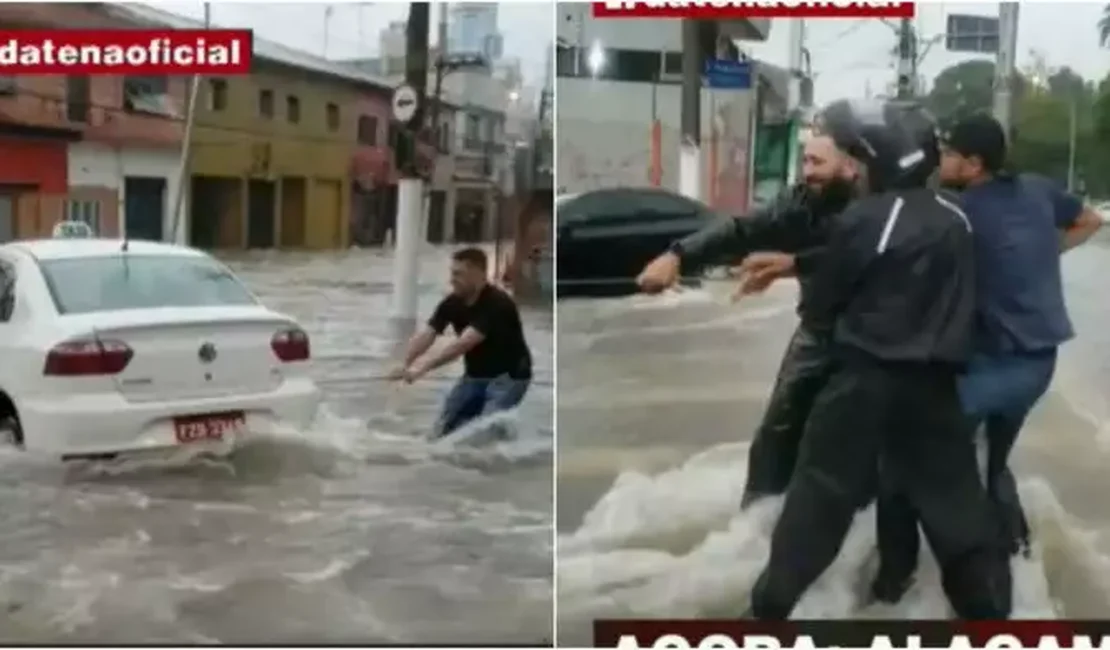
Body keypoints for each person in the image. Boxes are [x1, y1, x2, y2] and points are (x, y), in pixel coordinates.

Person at [745, 99, 1011, 620]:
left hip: (862, 386)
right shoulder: (958, 216)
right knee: (960, 518)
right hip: (937, 393)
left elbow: (822, 307)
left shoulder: (865, 218)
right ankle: (991, 623)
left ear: (885, 161)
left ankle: (764, 617)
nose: (859, 171)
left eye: (862, 161)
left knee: (816, 508)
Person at [869, 113, 1104, 603]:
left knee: (903, 456)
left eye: (950, 152)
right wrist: (1046, 252)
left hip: (1000, 366)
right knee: (993, 461)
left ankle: (898, 582)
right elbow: (1090, 219)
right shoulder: (1039, 190)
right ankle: (1020, 557)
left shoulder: (959, 211)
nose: (942, 159)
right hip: (1040, 365)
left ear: (973, 164)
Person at [636, 133, 860, 508]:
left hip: (870, 338)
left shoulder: (876, 206)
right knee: (776, 433)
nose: (808, 172)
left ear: (849, 167)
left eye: (818, 163)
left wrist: (792, 265)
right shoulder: (799, 202)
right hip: (817, 331)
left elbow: (862, 254)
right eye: (804, 161)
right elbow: (742, 230)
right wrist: (677, 256)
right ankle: (753, 529)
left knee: (849, 443)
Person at [389, 247, 533, 438]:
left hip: (509, 378)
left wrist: (421, 370)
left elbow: (462, 344)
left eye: (458, 274)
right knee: (441, 432)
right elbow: (428, 334)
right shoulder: (452, 303)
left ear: (479, 274)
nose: (451, 280)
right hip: (474, 375)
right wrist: (405, 363)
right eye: (452, 273)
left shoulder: (498, 303)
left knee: (485, 434)